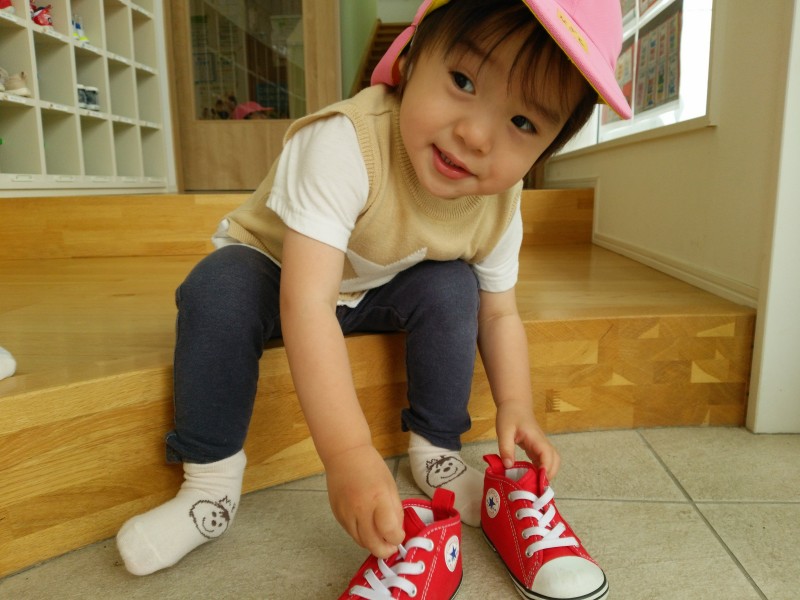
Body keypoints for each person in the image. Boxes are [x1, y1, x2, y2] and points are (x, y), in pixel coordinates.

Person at [116, 0, 631, 577]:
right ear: (408, 60)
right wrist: (349, 455)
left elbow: (499, 315)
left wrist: (517, 406)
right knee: (218, 288)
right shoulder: (344, 142)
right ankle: (209, 488)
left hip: (370, 286)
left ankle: (436, 451)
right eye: (463, 81)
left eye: (522, 123)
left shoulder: (500, 204)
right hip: (279, 273)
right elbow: (307, 303)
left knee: (453, 284)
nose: (475, 135)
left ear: (546, 150)